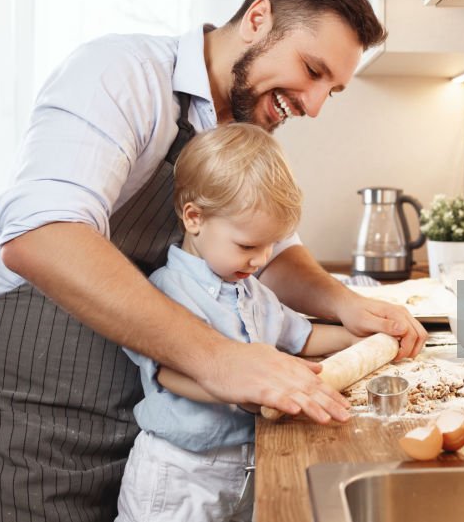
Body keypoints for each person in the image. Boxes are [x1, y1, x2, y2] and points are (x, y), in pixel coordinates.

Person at [0, 0, 428, 521]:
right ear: (258, 19)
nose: (313, 106)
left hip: (153, 421)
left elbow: (277, 255)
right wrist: (219, 359)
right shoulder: (121, 73)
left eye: (331, 91)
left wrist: (349, 305)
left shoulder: (242, 134)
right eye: (312, 70)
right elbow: (43, 235)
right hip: (35, 409)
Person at [116, 123, 361, 522]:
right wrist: (235, 389)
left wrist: (359, 337)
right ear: (194, 218)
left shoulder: (254, 292)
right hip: (180, 475)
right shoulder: (166, 291)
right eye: (248, 246)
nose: (261, 260)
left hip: (243, 469)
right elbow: (167, 374)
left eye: (270, 245)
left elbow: (304, 336)